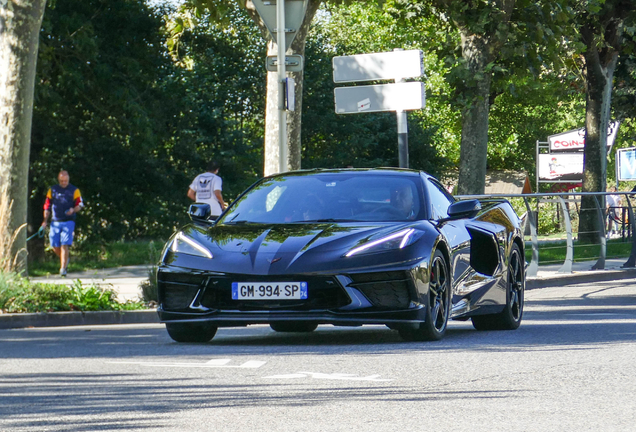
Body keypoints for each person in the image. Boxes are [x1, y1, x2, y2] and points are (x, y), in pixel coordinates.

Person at [41, 170, 84, 277]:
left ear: (68, 179)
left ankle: (63, 269)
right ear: (58, 180)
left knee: (64, 244)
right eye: (62, 181)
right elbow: (47, 206)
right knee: (55, 245)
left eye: (65, 181)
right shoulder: (53, 190)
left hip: (68, 221)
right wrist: (45, 221)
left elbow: (80, 205)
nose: (64, 183)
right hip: (55, 221)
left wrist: (73, 210)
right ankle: (65, 259)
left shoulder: (74, 190)